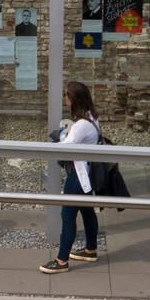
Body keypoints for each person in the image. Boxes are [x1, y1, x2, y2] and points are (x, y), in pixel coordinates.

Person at [40, 81, 101, 274]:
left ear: (73, 99)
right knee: (87, 211)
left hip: (78, 174)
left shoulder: (82, 124)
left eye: (67, 96)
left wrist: (59, 139)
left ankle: (61, 261)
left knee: (67, 216)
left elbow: (67, 149)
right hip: (86, 173)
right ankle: (90, 249)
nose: (65, 99)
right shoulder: (91, 118)